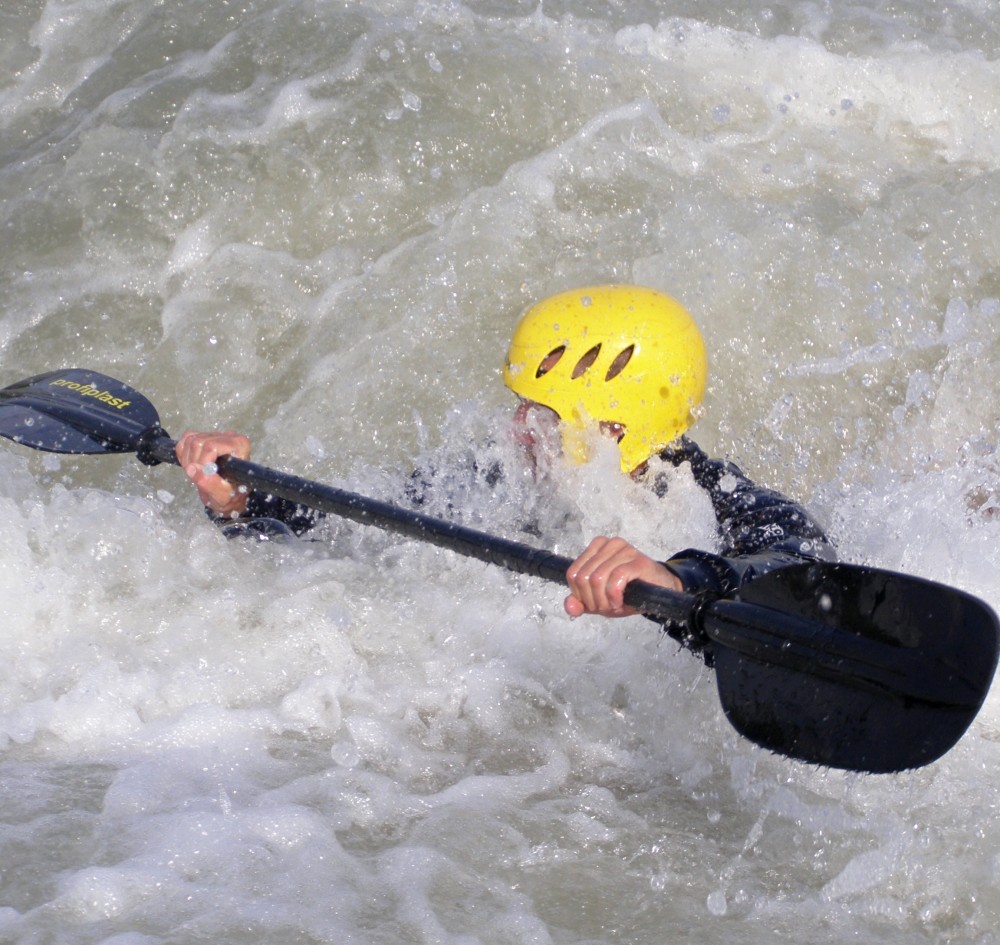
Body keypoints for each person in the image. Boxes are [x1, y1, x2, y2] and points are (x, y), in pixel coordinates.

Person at [176, 286, 833, 657]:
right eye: (520, 406)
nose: (516, 430)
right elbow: (356, 524)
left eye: (541, 414)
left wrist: (676, 579)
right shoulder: (501, 484)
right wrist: (242, 501)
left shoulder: (722, 502)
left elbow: (802, 572)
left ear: (612, 430)